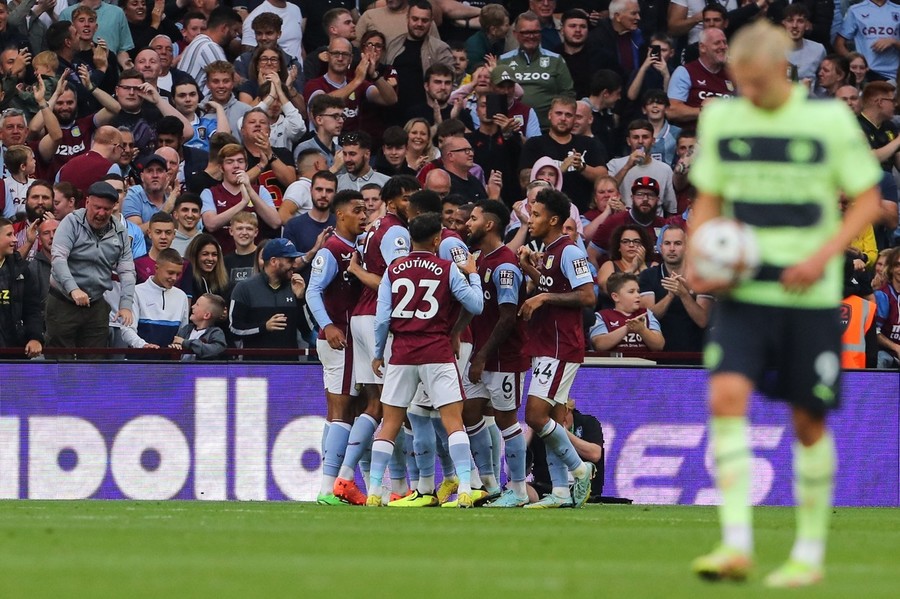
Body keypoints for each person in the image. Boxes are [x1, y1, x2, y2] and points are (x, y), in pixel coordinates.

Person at [687, 21, 884, 587]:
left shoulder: (826, 120)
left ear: (781, 70)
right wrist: (697, 253)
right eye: (738, 84)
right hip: (744, 293)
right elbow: (709, 198)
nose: (746, 94)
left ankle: (808, 554)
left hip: (809, 296)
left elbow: (867, 199)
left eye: (755, 83)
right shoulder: (724, 117)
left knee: (807, 422)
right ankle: (735, 544)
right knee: (725, 397)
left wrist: (824, 256)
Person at [365, 211, 483, 507]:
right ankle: (467, 488)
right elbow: (476, 305)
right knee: (453, 421)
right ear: (437, 239)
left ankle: (374, 491)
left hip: (403, 353)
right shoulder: (446, 268)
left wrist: (379, 352)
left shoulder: (393, 269)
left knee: (390, 423)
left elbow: (381, 320)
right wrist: (473, 273)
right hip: (437, 352)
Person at [333, 174, 418, 505]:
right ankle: (348, 476)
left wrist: (356, 271)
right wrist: (356, 273)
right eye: (408, 199)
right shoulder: (396, 232)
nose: (411, 205)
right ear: (393, 200)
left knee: (376, 405)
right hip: (377, 320)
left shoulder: (372, 230)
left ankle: (394, 486)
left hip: (361, 318)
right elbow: (395, 281)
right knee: (392, 406)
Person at [516, 187, 596, 508]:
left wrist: (543, 296)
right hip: (546, 343)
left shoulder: (570, 251)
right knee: (551, 417)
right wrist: (529, 270)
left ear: (552, 219)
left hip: (562, 347)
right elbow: (553, 285)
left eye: (535, 215)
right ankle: (560, 491)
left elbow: (587, 296)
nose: (529, 220)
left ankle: (580, 469)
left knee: (535, 416)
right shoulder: (548, 251)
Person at [460, 200, 532, 507]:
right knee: (470, 413)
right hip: (481, 354)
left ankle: (517, 489)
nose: (468, 223)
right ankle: (489, 484)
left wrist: (482, 356)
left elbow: (507, 317)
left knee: (505, 420)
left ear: (489, 225)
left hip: (504, 358)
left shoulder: (504, 265)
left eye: (473, 218)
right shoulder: (479, 260)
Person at [305, 189, 368, 505]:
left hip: (348, 340)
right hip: (339, 338)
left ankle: (342, 484)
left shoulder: (356, 248)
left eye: (365, 209)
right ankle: (329, 488)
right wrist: (328, 325)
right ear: (340, 214)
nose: (363, 215)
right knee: (343, 411)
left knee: (344, 413)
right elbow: (312, 291)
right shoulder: (332, 250)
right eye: (357, 210)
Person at [46, 180, 135, 357]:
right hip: (63, 301)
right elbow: (58, 259)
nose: (101, 213)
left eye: (107, 209)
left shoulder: (120, 232)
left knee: (93, 362)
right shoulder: (70, 223)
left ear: (114, 208)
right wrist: (74, 289)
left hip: (95, 304)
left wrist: (126, 305)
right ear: (87, 203)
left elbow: (127, 270)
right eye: (97, 207)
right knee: (59, 361)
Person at [520, 96, 607, 213]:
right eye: (558, 113)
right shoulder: (535, 144)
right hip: (542, 213)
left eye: (568, 115)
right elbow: (524, 181)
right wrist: (559, 170)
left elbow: (604, 177)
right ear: (550, 115)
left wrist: (582, 167)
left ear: (574, 118)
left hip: (581, 214)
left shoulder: (588, 143)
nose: (563, 118)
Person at [639, 225, 713, 355]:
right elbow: (647, 320)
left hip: (695, 355)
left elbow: (703, 321)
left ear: (687, 248)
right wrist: (670, 296)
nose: (672, 248)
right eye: (667, 243)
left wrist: (683, 294)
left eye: (677, 243)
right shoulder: (648, 276)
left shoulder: (701, 277)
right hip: (658, 355)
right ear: (661, 247)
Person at [229, 237, 307, 358]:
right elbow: (234, 329)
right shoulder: (244, 288)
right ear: (273, 261)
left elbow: (307, 330)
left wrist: (300, 299)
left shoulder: (295, 287)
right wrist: (263, 327)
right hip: (255, 367)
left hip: (290, 368)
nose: (295, 265)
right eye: (290, 260)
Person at [497, 11, 575, 132]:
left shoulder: (556, 60)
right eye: (525, 32)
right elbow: (496, 93)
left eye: (535, 32)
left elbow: (568, 95)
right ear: (515, 34)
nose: (531, 36)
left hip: (549, 129)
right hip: (512, 127)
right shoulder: (504, 60)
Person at [200, 143, 280, 255]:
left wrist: (249, 189)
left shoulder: (260, 191)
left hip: (254, 260)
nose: (236, 165)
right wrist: (243, 203)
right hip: (221, 259)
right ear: (221, 168)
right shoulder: (210, 193)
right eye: (230, 162)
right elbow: (211, 224)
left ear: (246, 166)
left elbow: (275, 222)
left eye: (240, 161)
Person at [526, 397, 604, 503]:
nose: (556, 419)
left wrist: (560, 432)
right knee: (515, 487)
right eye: (550, 417)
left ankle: (581, 472)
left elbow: (595, 454)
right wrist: (532, 427)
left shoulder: (588, 422)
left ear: (568, 410)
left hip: (583, 489)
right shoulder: (540, 430)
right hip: (546, 488)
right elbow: (513, 470)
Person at [589, 176, 667, 266]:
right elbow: (591, 253)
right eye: (640, 194)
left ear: (658, 200)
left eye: (650, 195)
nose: (645, 199)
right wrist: (598, 277)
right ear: (632, 198)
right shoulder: (614, 221)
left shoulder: (664, 225)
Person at [121, 247, 189, 350]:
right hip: (139, 360)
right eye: (170, 273)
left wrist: (179, 344)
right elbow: (127, 329)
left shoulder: (182, 296)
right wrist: (143, 345)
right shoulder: (136, 292)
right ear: (156, 268)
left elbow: (183, 331)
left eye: (178, 274)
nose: (174, 278)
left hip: (170, 362)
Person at [607, 119, 677, 214]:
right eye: (635, 137)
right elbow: (607, 190)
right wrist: (627, 166)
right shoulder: (615, 164)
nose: (640, 141)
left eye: (645, 137)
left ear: (653, 141)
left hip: (654, 221)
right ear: (628, 141)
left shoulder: (665, 169)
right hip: (623, 219)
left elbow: (671, 209)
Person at [667, 27, 734, 127]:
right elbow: (672, 110)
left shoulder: (733, 74)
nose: (723, 46)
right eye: (717, 43)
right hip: (694, 137)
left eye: (725, 42)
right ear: (702, 47)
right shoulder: (685, 72)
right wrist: (705, 111)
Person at [0, 216, 43, 358]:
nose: (15, 239)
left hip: (14, 349)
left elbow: (32, 309)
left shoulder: (21, 269)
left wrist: (35, 337)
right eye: (9, 235)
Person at [590, 271, 665, 352]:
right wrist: (627, 328)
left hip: (645, 363)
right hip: (614, 364)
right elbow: (599, 345)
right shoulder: (602, 316)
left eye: (638, 291)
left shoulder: (647, 314)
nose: (638, 295)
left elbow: (659, 346)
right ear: (615, 297)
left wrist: (642, 330)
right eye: (631, 292)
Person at [178, 7, 242, 93]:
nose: (235, 35)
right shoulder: (209, 46)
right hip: (193, 102)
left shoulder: (200, 40)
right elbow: (234, 81)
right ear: (224, 28)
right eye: (235, 30)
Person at [835, 0, 900, 82]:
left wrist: (893, 41)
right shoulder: (855, 10)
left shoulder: (898, 10)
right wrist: (855, 61)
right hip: (867, 74)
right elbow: (838, 43)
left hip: (893, 75)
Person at [171, 292, 228, 360]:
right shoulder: (186, 329)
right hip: (179, 369)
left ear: (206, 315)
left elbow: (215, 350)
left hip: (201, 370)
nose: (192, 306)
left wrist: (185, 342)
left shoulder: (216, 333)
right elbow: (176, 342)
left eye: (197, 304)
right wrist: (175, 346)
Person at [179, 232, 229, 304]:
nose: (210, 258)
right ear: (195, 256)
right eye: (205, 254)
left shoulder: (223, 284)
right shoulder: (187, 280)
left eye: (214, 254)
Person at [874, 246, 900, 368]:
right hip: (886, 352)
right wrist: (896, 347)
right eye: (897, 265)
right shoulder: (883, 295)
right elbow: (875, 332)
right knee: (882, 358)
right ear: (891, 268)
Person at [134, 210, 176, 284]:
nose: (163, 237)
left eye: (168, 232)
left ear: (174, 234)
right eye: (158, 232)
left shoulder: (183, 265)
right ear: (149, 233)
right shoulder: (137, 265)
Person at [223, 212, 259, 286]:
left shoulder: (262, 257)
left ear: (256, 232)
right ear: (231, 231)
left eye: (249, 229)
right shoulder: (225, 261)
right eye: (239, 228)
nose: (244, 232)